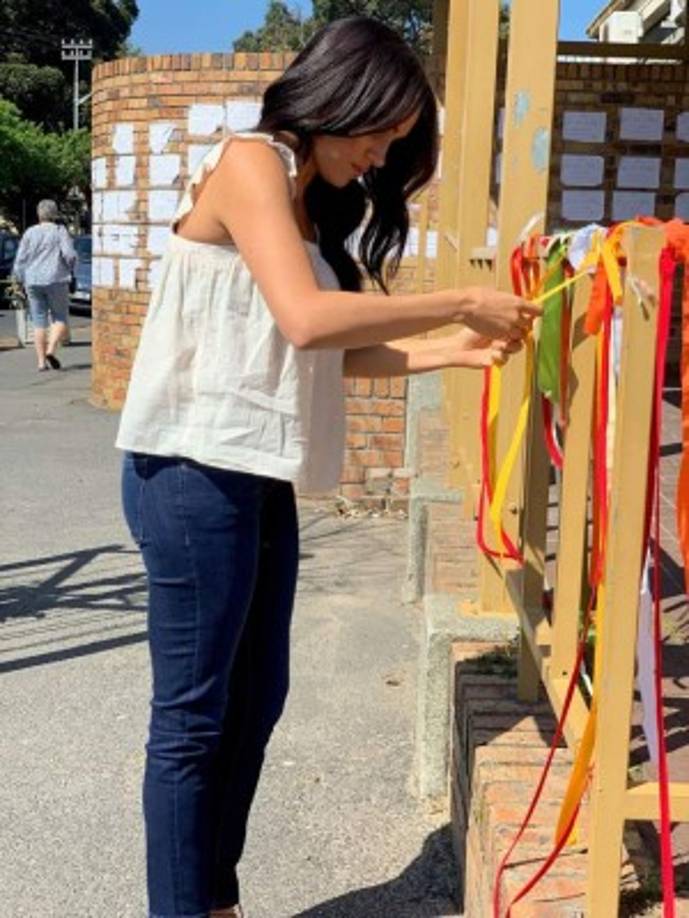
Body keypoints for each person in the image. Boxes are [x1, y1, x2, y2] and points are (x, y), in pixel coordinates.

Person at [116, 16, 539, 918]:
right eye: (379, 137)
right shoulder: (250, 163)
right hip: (190, 473)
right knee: (193, 721)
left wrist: (455, 348)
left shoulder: (310, 204)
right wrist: (460, 295)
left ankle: (213, 898)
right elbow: (306, 319)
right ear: (339, 101)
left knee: (255, 701)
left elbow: (329, 355)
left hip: (254, 475)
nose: (381, 162)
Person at [12, 199, 76, 371]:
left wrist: (18, 278)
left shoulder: (30, 232)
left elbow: (20, 260)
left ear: (39, 214)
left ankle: (41, 363)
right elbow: (69, 255)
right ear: (54, 214)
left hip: (32, 280)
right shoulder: (59, 231)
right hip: (56, 279)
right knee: (60, 317)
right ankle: (50, 350)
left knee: (39, 321)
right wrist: (71, 268)